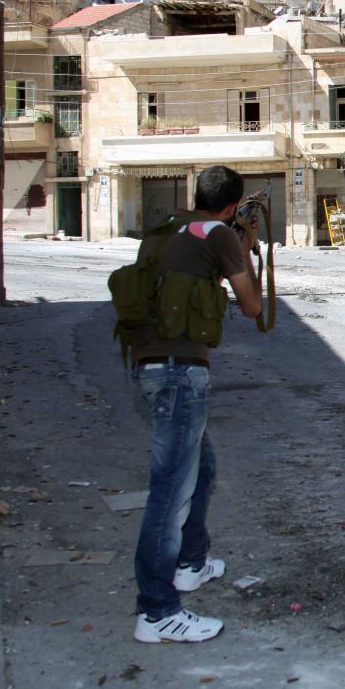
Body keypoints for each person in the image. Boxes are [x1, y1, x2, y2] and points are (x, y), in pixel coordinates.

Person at [130, 166, 261, 644]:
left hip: (150, 363)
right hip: (180, 371)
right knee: (170, 490)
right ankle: (157, 612)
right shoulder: (220, 233)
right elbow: (250, 307)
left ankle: (191, 563)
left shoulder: (171, 228)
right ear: (231, 206)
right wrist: (244, 254)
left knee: (200, 468)